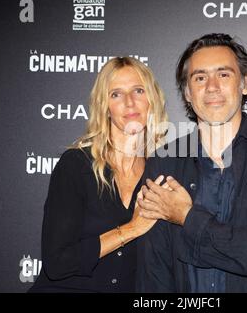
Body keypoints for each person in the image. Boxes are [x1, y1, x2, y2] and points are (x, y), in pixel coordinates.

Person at [136, 33, 247, 292]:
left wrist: (187, 217)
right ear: (187, 93)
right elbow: (155, 270)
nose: (212, 86)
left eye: (224, 74)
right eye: (200, 77)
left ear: (245, 83)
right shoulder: (164, 162)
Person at [29, 57, 168, 292]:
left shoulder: (160, 175)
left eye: (138, 90)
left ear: (151, 100)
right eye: (116, 94)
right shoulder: (76, 165)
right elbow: (57, 263)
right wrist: (131, 229)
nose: (129, 102)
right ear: (105, 106)